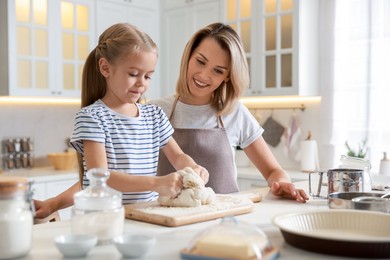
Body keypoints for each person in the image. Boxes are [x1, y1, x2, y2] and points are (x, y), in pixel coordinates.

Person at [34, 23, 209, 219]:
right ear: (105, 68)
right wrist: (157, 183)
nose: (142, 83)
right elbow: (99, 176)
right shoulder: (93, 118)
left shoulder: (154, 116)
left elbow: (178, 157)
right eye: (133, 74)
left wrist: (193, 167)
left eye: (148, 76)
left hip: (146, 217)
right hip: (105, 220)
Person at [151, 22, 308, 203]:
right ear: (188, 56)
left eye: (218, 71)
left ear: (227, 76)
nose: (204, 75)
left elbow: (273, 171)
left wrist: (282, 183)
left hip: (224, 221)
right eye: (200, 61)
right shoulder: (157, 111)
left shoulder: (235, 113)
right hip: (168, 221)